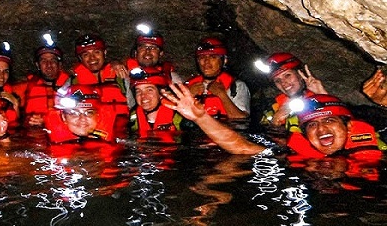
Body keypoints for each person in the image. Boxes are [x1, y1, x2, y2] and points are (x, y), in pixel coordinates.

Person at [163, 83, 385, 160]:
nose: (321, 129)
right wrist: (201, 118)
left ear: (349, 125)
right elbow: (241, 147)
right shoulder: (298, 153)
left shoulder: (378, 144)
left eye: (329, 120)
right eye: (312, 125)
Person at [112, 25, 183, 109]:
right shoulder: (123, 73)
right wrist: (114, 64)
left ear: (160, 53)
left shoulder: (171, 77)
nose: (148, 51)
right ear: (135, 52)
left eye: (153, 48)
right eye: (143, 47)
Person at [256, 52, 327, 132]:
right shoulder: (274, 107)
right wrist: (274, 123)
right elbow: (258, 136)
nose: (283, 83)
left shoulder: (318, 100)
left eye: (287, 75)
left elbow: (340, 128)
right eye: (277, 80)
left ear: (300, 74)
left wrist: (323, 95)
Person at [184, 37, 250, 120]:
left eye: (213, 57)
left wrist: (222, 95)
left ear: (224, 60)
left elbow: (241, 119)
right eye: (202, 57)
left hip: (225, 131)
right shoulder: (188, 86)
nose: (206, 62)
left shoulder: (236, 86)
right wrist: (187, 97)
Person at [13, 36, 70, 127]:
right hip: (34, 134)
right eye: (44, 61)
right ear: (38, 65)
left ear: (59, 64)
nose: (49, 65)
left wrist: (47, 120)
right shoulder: (25, 87)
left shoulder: (72, 86)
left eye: (53, 60)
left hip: (62, 132)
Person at [69, 34, 129, 121]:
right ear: (80, 58)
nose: (92, 58)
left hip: (119, 130)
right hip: (88, 130)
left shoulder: (120, 75)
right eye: (86, 54)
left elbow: (134, 104)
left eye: (96, 52)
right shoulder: (72, 82)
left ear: (104, 53)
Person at [44, 85, 116, 143]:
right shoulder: (44, 139)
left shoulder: (118, 134)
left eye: (89, 113)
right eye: (74, 113)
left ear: (98, 115)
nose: (82, 118)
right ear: (63, 117)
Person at [128, 67, 182, 141]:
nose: (143, 95)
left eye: (149, 90)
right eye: (138, 91)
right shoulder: (132, 119)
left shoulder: (180, 118)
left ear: (161, 93)